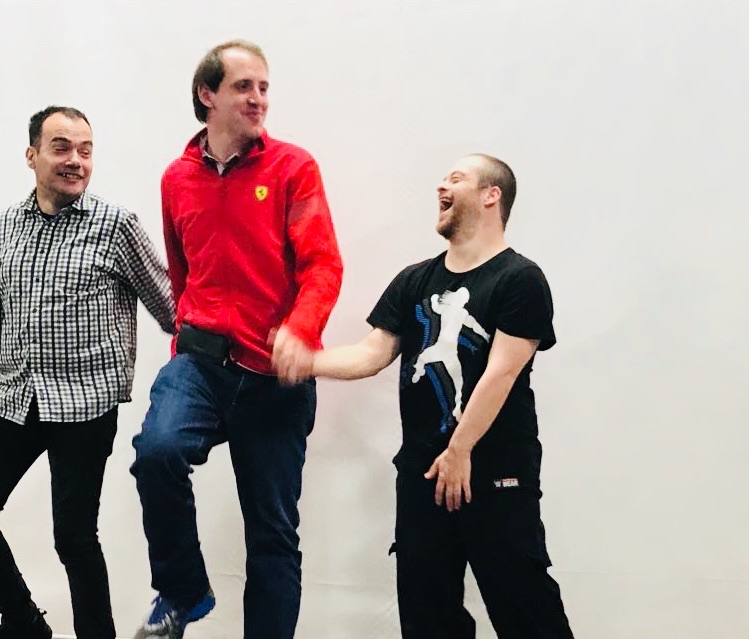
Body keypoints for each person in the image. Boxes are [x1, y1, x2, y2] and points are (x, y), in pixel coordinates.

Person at [285, 154, 575, 638]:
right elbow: (373, 352)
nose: (441, 186)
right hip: (422, 475)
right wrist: (307, 361)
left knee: (526, 610)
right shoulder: (415, 280)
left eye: (456, 179)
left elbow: (502, 372)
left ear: (491, 196)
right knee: (427, 620)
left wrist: (460, 449)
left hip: (495, 474)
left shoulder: (520, 279)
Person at [130, 40, 342, 639]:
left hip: (275, 379)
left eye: (264, 88)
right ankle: (182, 592)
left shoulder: (293, 168)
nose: (258, 99)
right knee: (157, 454)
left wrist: (301, 330)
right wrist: (186, 334)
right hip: (199, 363)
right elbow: (181, 272)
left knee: (272, 532)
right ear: (208, 95)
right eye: (244, 86)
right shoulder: (177, 178)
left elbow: (323, 265)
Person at [0, 106, 175, 639]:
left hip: (85, 404)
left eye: (85, 150)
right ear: (32, 155)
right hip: (16, 395)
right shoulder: (7, 225)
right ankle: (25, 625)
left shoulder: (116, 226)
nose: (75, 160)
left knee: (73, 538)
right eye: (61, 147)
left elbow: (171, 306)